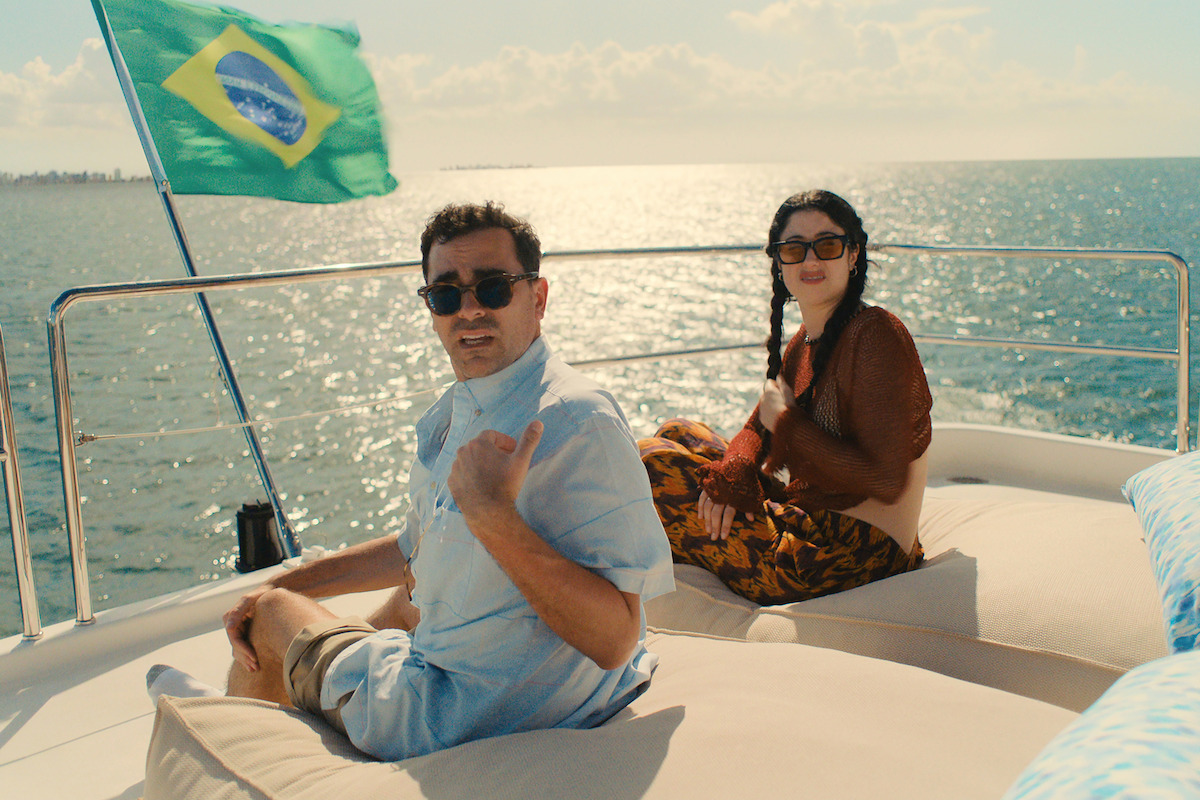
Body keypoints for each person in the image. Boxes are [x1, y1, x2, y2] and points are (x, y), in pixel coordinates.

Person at [150, 202, 674, 762]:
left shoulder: (578, 421)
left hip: (459, 716)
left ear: (538, 298)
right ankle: (285, 692)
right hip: (535, 689)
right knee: (400, 597)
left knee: (270, 617)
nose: (468, 309)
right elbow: (413, 549)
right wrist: (300, 579)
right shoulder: (471, 407)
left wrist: (492, 518)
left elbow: (618, 639)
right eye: (447, 294)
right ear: (431, 309)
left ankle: (235, 732)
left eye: (493, 288)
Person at [639, 189, 932, 605]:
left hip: (852, 559)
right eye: (794, 250)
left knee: (651, 464)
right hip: (815, 524)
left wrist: (790, 426)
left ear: (852, 254)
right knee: (678, 431)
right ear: (779, 262)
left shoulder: (875, 335)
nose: (811, 261)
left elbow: (883, 479)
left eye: (827, 246)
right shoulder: (806, 343)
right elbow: (756, 428)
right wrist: (736, 473)